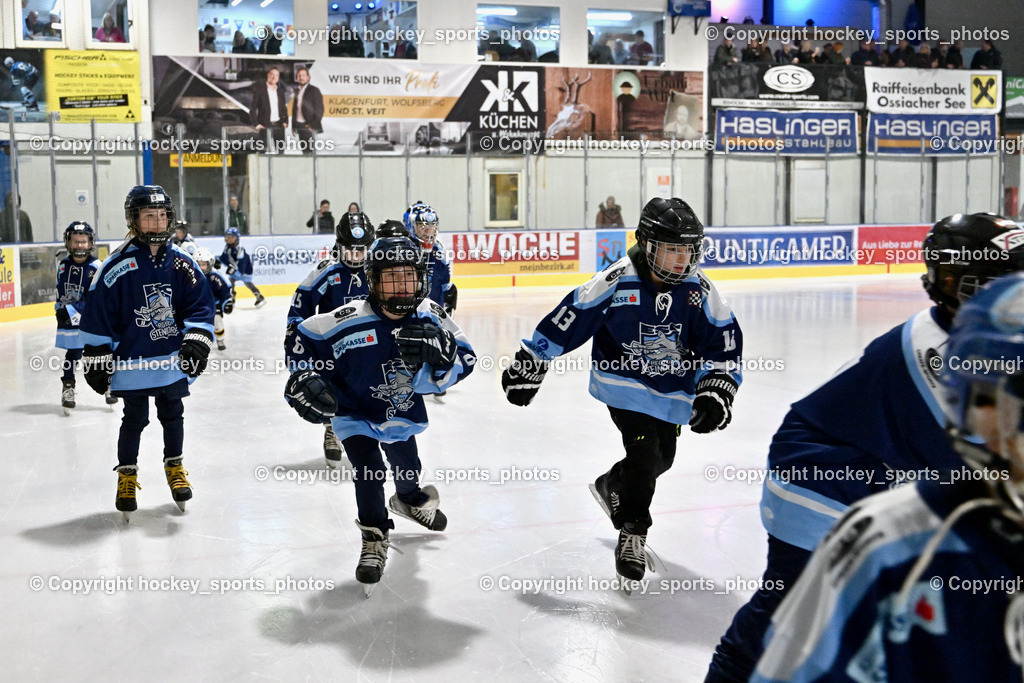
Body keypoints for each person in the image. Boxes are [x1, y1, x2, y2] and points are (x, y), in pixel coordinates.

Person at [705, 212, 1024, 683]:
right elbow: (984, 465)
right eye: (1011, 284)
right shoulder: (941, 354)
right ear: (968, 287)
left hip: (865, 467)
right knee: (789, 614)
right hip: (817, 477)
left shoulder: (972, 339)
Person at [501, 197, 743, 583]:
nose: (681, 261)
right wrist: (532, 360)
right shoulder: (619, 278)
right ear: (647, 245)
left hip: (672, 391)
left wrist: (717, 387)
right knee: (646, 455)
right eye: (671, 250)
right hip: (624, 386)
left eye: (687, 251)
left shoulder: (699, 290)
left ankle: (613, 482)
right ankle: (633, 532)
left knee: (663, 459)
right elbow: (572, 317)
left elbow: (724, 342)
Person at [283, 234, 476, 595]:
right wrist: (303, 375)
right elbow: (302, 339)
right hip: (353, 412)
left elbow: (466, 357)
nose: (401, 286)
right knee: (369, 471)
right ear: (372, 279)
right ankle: (374, 536)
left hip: (400, 410)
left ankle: (409, 498)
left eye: (408, 276)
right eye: (391, 277)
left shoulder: (431, 314)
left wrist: (443, 359)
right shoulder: (346, 319)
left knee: (407, 467)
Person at [79, 185, 215, 522]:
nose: (156, 222)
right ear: (134, 220)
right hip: (132, 362)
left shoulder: (183, 264)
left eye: (161, 215)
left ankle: (175, 467)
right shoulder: (115, 267)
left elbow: (200, 306)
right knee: (135, 419)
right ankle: (127, 476)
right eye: (148, 216)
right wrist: (97, 354)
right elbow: (101, 314)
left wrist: (197, 339)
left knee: (173, 413)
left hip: (170, 362)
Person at [286, 210, 375, 468]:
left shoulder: (376, 269)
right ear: (339, 245)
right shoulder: (326, 270)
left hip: (368, 340)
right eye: (350, 250)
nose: (356, 256)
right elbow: (300, 306)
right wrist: (296, 332)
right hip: (333, 345)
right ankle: (331, 429)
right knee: (331, 387)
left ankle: (368, 430)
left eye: (362, 250)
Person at [55, 221, 116, 413]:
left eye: (83, 241)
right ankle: (68, 388)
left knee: (99, 351)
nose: (79, 245)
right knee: (72, 354)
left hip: (92, 319)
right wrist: (59, 309)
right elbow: (59, 291)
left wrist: (72, 310)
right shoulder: (63, 265)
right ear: (68, 243)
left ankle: (107, 385)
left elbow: (96, 298)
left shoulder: (97, 266)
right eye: (75, 241)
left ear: (90, 243)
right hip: (70, 321)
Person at [406, 205, 456, 315]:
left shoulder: (440, 252)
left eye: (432, 226)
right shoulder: (404, 251)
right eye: (422, 226)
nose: (428, 232)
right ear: (411, 227)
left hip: (434, 317)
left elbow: (446, 288)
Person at [193, 248, 233, 351]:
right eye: (199, 264)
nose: (201, 268)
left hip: (214, 304)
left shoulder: (215, 276)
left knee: (217, 322)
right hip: (197, 305)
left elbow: (225, 290)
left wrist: (227, 302)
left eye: (204, 264)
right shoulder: (190, 276)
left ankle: (220, 340)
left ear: (209, 264)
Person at [220, 227, 265, 307]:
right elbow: (224, 257)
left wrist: (235, 271)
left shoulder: (240, 250)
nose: (229, 239)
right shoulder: (227, 247)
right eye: (228, 237)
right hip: (236, 270)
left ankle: (259, 296)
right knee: (230, 282)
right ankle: (231, 297)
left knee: (248, 283)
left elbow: (242, 264)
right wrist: (219, 261)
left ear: (237, 238)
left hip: (245, 271)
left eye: (232, 237)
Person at [250, 66, 288, 151]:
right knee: (263, 151)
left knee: (281, 152)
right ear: (268, 75)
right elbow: (252, 109)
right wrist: (256, 125)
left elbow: (283, 108)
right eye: (272, 74)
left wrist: (285, 121)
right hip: (264, 126)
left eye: (276, 75)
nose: (274, 77)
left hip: (279, 126)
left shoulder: (280, 91)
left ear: (278, 77)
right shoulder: (260, 90)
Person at [290, 67, 324, 149]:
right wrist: (293, 126)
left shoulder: (314, 90)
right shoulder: (297, 91)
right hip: (299, 125)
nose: (301, 78)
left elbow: (320, 110)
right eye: (299, 75)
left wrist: (312, 125)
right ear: (297, 78)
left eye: (303, 75)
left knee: (311, 152)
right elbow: (295, 109)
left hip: (309, 126)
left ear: (308, 77)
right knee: (304, 151)